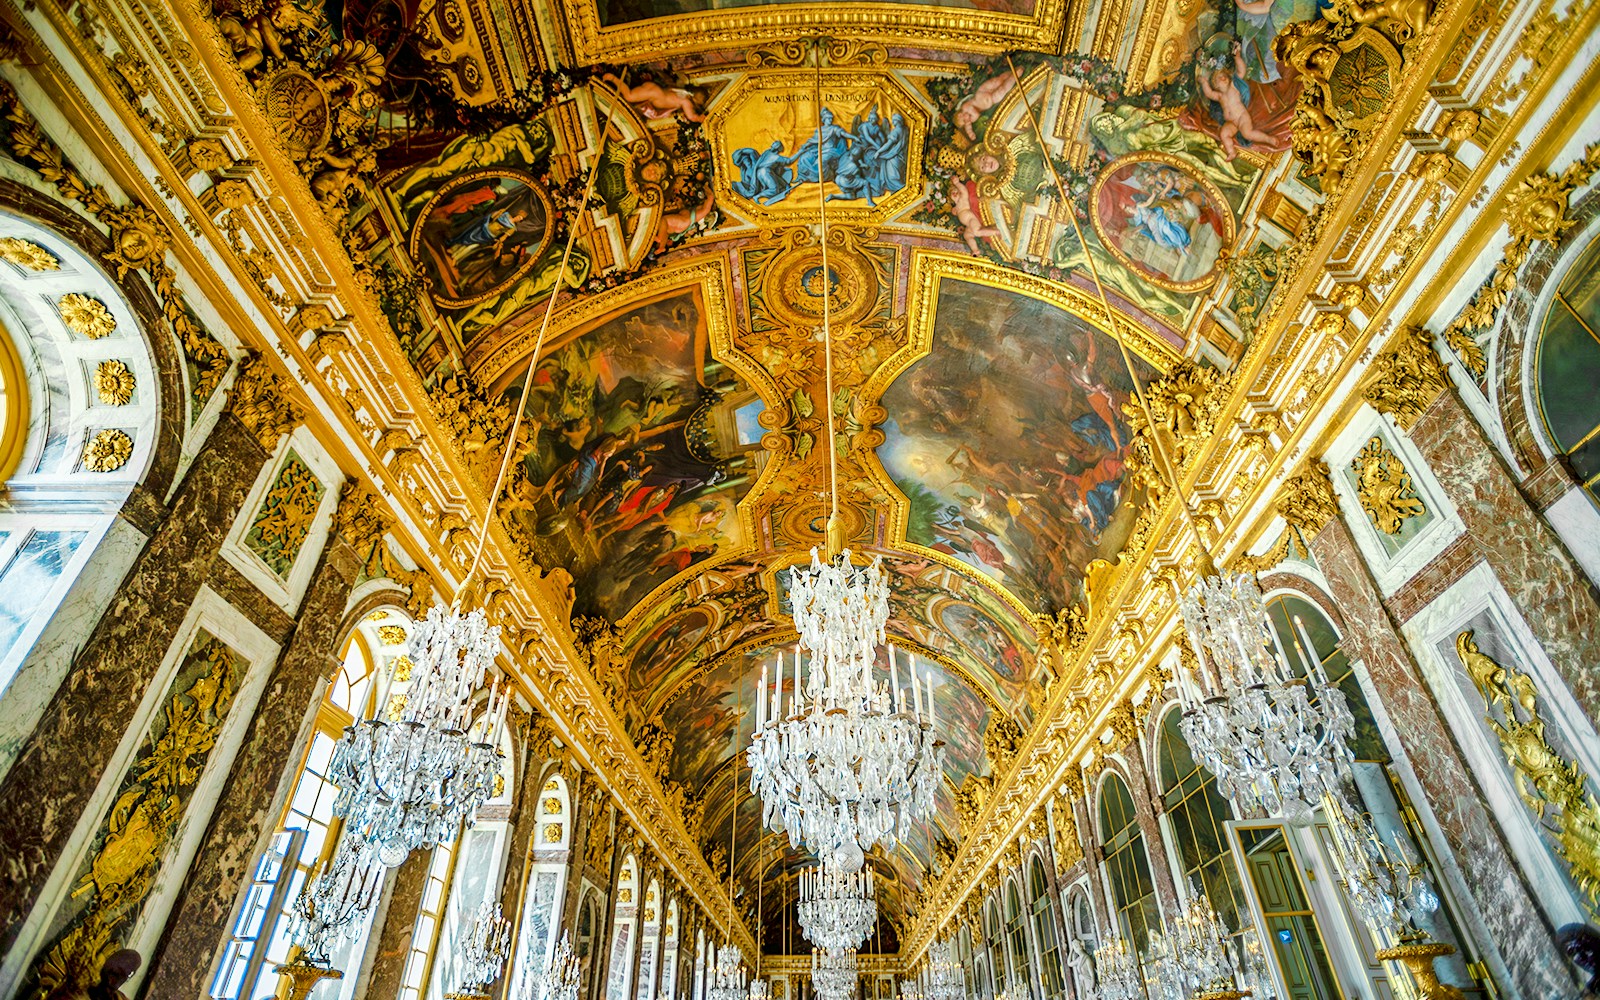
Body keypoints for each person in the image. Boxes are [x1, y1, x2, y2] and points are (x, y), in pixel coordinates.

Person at [1195, 42, 1280, 159]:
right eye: (1219, 78)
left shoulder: (1234, 86)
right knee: (1224, 134)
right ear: (1215, 85)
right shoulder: (1219, 96)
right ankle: (1231, 152)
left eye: (1224, 75)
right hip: (1231, 122)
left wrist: (1237, 57)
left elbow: (1241, 71)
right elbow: (1209, 94)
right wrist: (1204, 82)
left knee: (1247, 133)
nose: (1223, 77)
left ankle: (1268, 139)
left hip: (1242, 118)